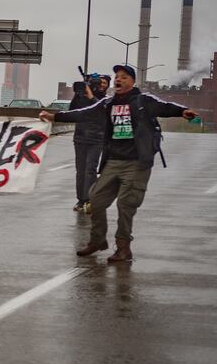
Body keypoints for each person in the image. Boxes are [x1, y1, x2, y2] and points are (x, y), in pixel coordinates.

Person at [39, 65, 197, 263]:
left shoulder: (143, 101)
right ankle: (97, 241)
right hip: (113, 161)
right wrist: (55, 117)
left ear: (132, 81)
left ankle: (123, 249)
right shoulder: (108, 103)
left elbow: (164, 107)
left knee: (126, 205)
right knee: (94, 200)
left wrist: (182, 111)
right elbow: (84, 113)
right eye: (116, 77)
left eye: (123, 77)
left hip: (136, 163)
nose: (118, 80)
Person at [69, 73, 110, 213]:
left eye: (104, 83)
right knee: (80, 171)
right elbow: (72, 110)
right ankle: (81, 200)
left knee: (90, 170)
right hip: (80, 137)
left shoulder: (106, 100)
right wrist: (78, 93)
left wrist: (91, 96)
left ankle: (89, 200)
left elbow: (102, 111)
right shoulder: (84, 96)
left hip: (97, 139)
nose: (101, 85)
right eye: (99, 82)